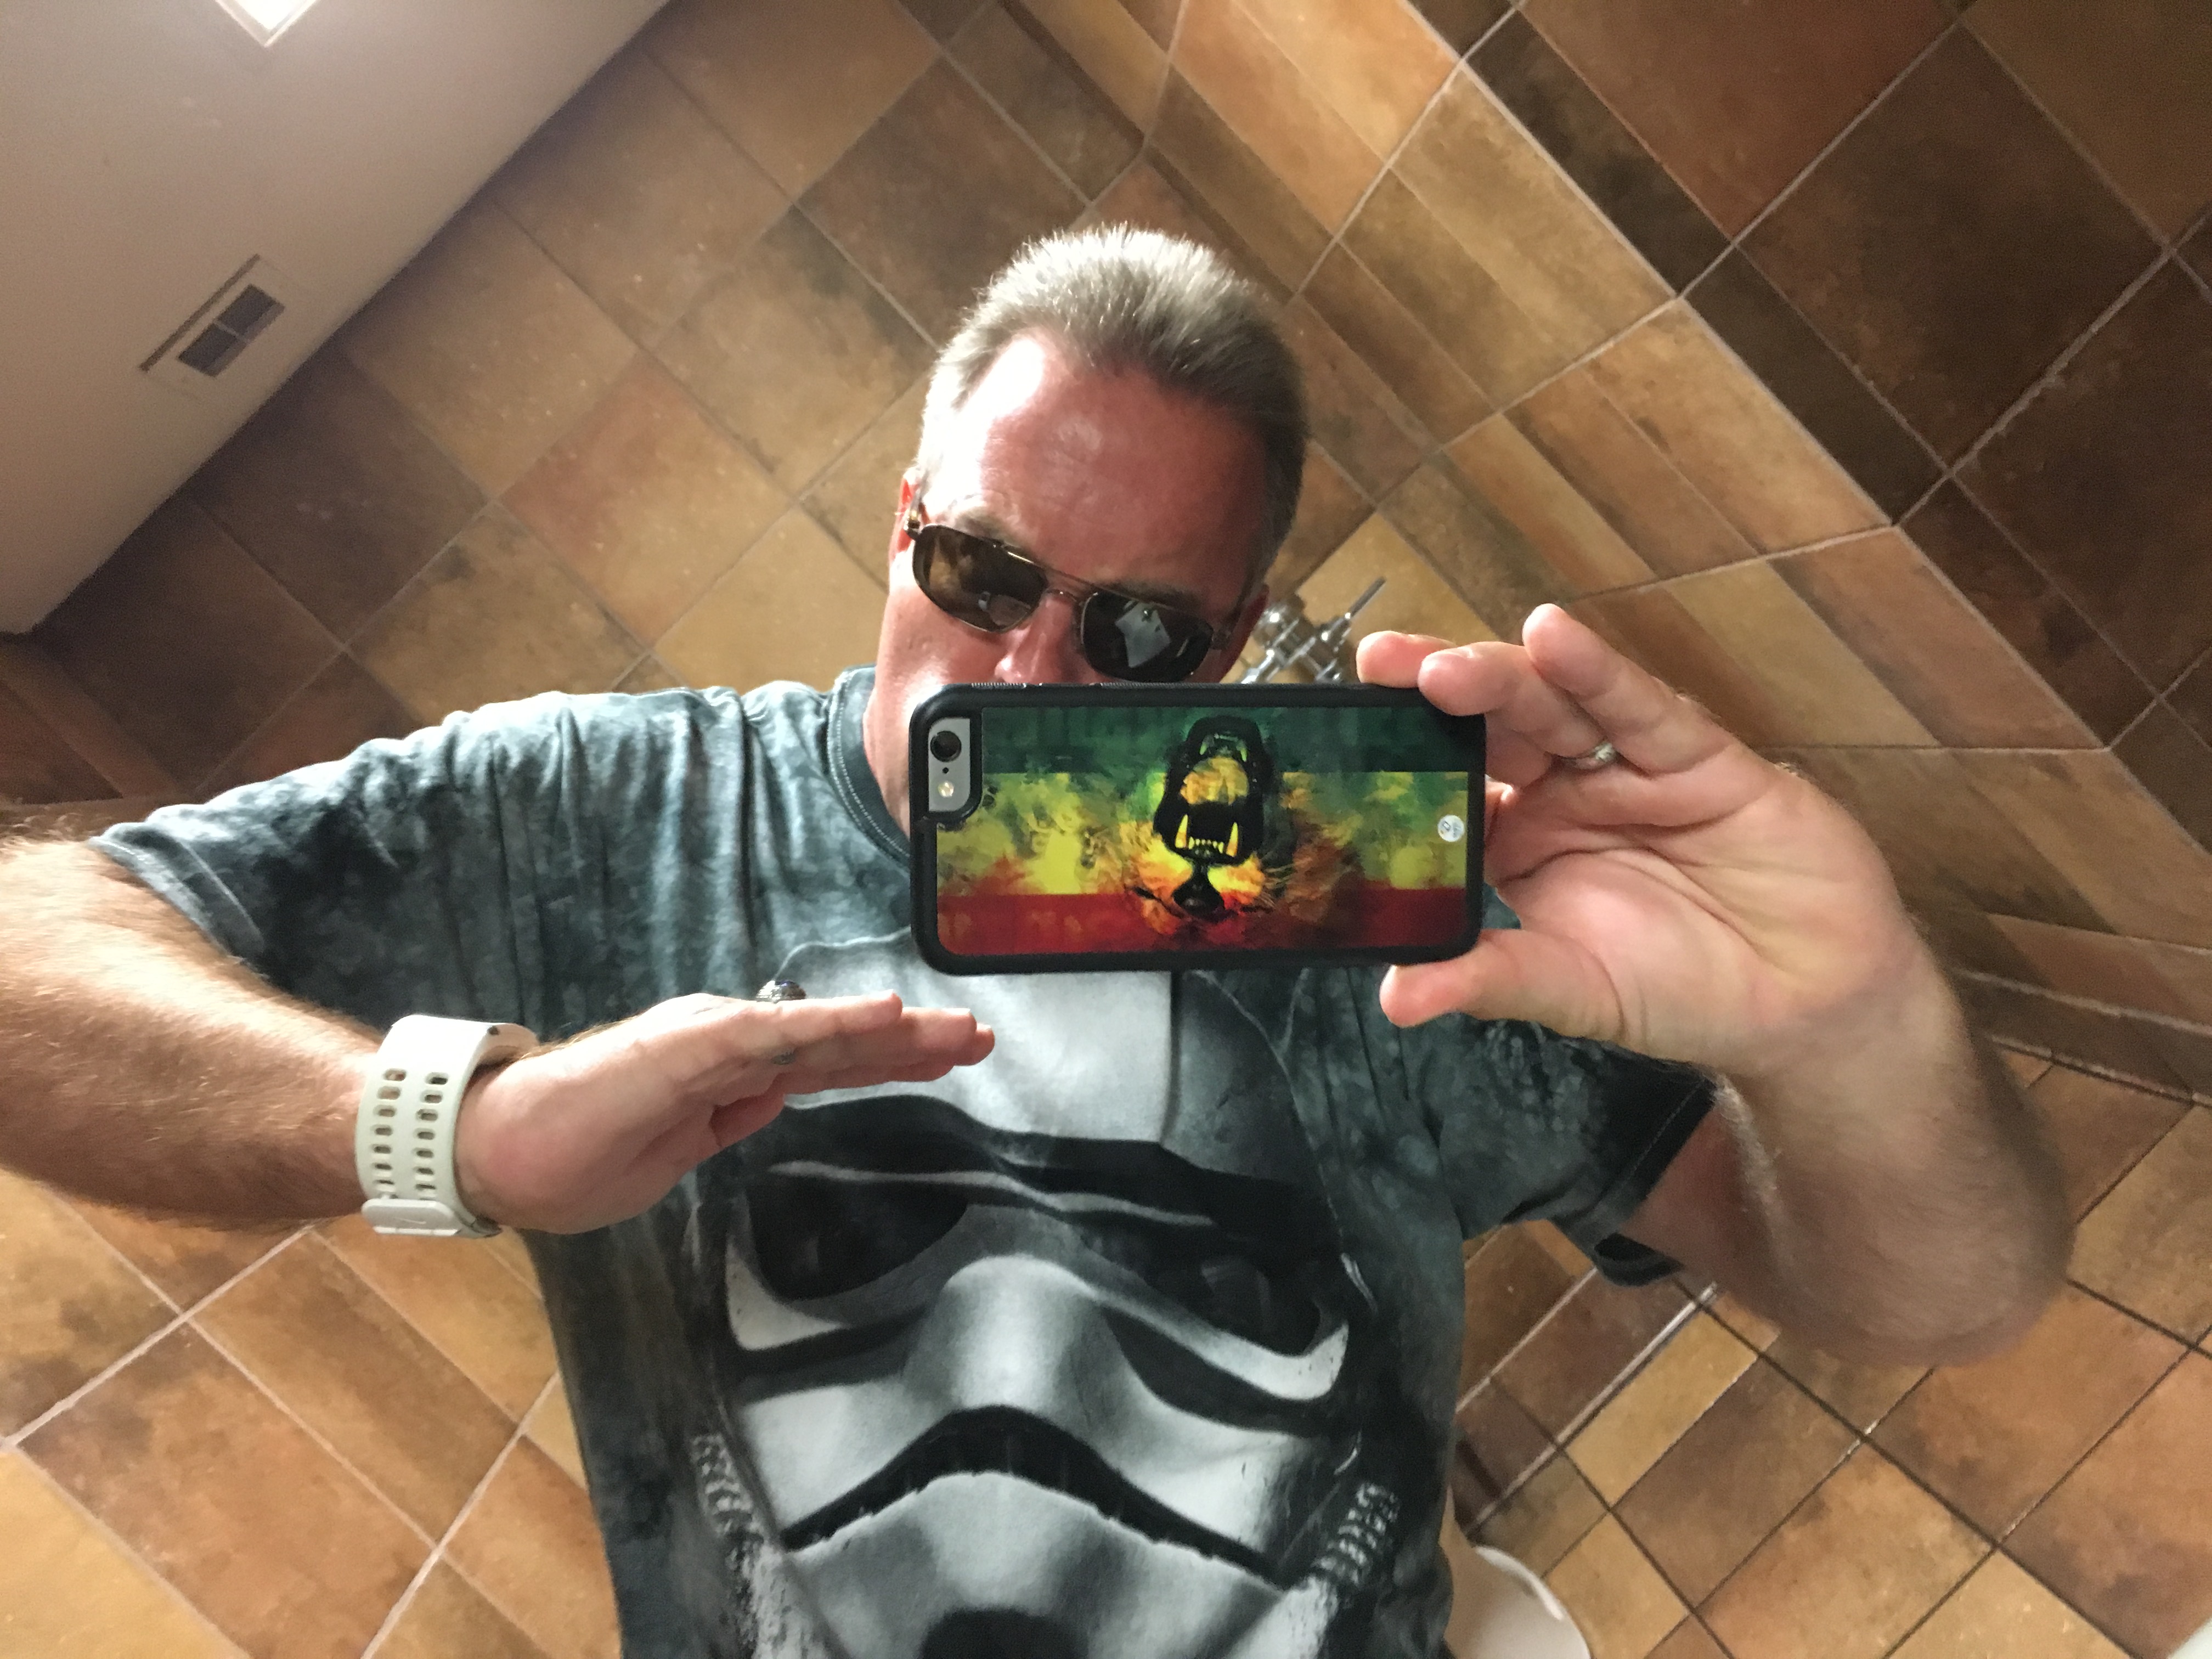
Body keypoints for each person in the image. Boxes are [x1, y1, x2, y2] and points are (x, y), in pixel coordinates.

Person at [0, 228, 2067, 1659]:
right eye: (984, 570)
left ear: (1235, 651)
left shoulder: (1361, 908)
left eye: (1140, 632)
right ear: (906, 514)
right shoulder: (599, 816)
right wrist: (446, 1127)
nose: (1027, 668)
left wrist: (1848, 1029)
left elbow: (1941, 1297)